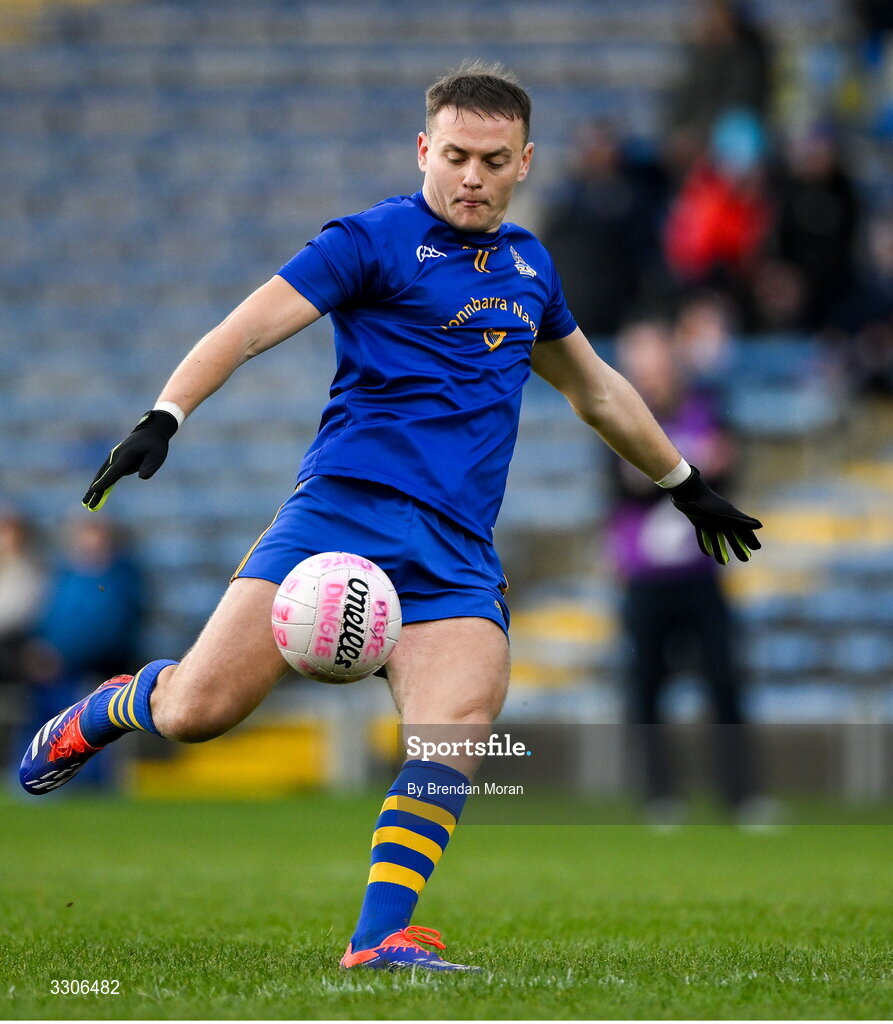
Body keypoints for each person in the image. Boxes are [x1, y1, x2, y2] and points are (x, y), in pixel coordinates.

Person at [19, 62, 762, 972]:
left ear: (523, 161)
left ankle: (377, 940)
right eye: (454, 155)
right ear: (423, 150)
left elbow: (598, 391)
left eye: (493, 160)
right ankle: (115, 705)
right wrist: (164, 416)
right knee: (197, 712)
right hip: (336, 521)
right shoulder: (369, 240)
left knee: (461, 721)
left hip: (453, 552)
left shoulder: (531, 266)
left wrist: (682, 482)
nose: (471, 177)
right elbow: (248, 326)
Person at [605, 319, 762, 827]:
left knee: (725, 682)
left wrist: (668, 472)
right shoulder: (620, 416)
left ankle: (741, 796)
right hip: (645, 578)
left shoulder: (707, 404)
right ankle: (659, 796)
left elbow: (726, 468)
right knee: (646, 688)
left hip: (700, 571)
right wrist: (692, 469)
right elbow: (627, 484)